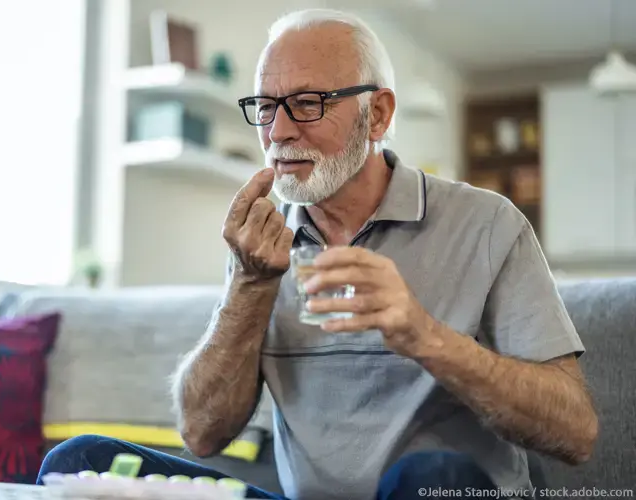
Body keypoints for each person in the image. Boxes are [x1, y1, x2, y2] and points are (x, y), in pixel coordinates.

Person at [37, 8, 599, 500]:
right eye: (264, 105)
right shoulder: (262, 239)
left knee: (431, 474)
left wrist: (425, 337)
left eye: (307, 103)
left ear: (376, 115)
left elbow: (575, 432)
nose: (278, 130)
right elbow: (203, 432)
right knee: (80, 463)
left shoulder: (488, 224)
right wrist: (250, 285)